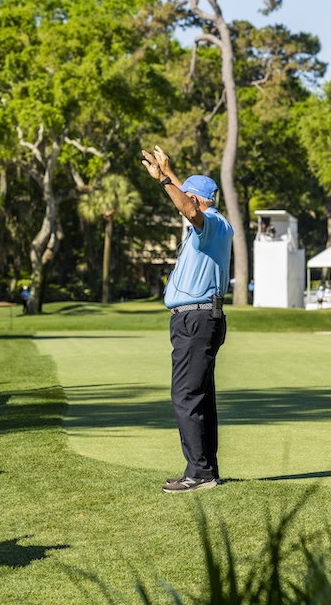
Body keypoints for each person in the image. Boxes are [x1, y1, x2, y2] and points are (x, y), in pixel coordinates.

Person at [141, 145, 232, 493]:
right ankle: (204, 468)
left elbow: (189, 207)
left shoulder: (207, 223)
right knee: (200, 397)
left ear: (197, 199)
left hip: (195, 320)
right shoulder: (215, 223)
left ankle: (200, 474)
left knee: (185, 396)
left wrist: (164, 179)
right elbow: (191, 202)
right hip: (202, 318)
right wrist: (169, 173)